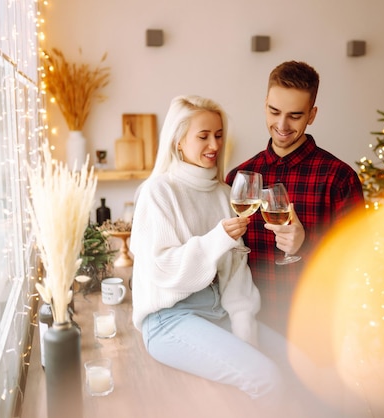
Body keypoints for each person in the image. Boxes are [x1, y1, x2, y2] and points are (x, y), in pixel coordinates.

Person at [130, 95, 330, 417]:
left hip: (219, 311)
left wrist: (245, 329)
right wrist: (217, 238)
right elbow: (161, 269)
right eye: (203, 135)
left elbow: (237, 272)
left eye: (219, 134)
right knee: (266, 379)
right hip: (169, 318)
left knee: (306, 371)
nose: (214, 144)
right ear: (179, 141)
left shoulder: (226, 194)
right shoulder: (158, 192)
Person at [226, 61, 365, 336]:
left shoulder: (339, 178)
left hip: (316, 334)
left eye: (295, 115)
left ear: (312, 115)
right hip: (251, 331)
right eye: (274, 111)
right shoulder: (237, 178)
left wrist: (306, 245)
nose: (282, 125)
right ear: (265, 103)